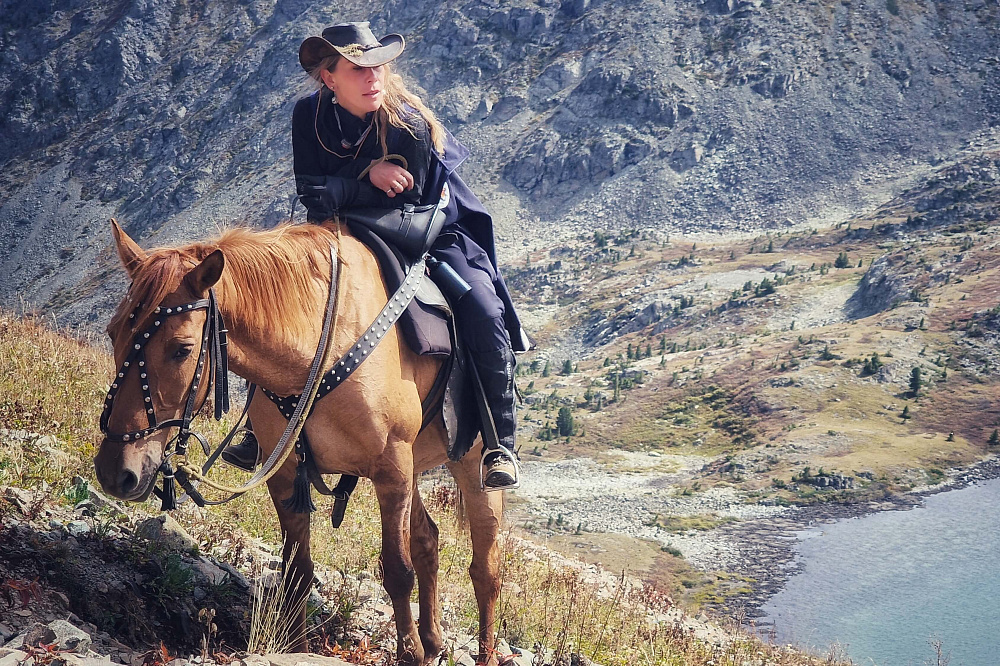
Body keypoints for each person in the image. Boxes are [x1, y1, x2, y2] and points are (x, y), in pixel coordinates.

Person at [223, 21, 528, 490]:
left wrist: (348, 191)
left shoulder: (411, 122)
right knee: (279, 294)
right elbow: (311, 192)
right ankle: (258, 427)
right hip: (345, 228)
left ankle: (498, 444)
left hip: (430, 230)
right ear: (330, 78)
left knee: (483, 310)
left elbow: (412, 211)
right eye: (358, 69)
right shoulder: (308, 114)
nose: (373, 79)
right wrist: (370, 173)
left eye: (378, 67)